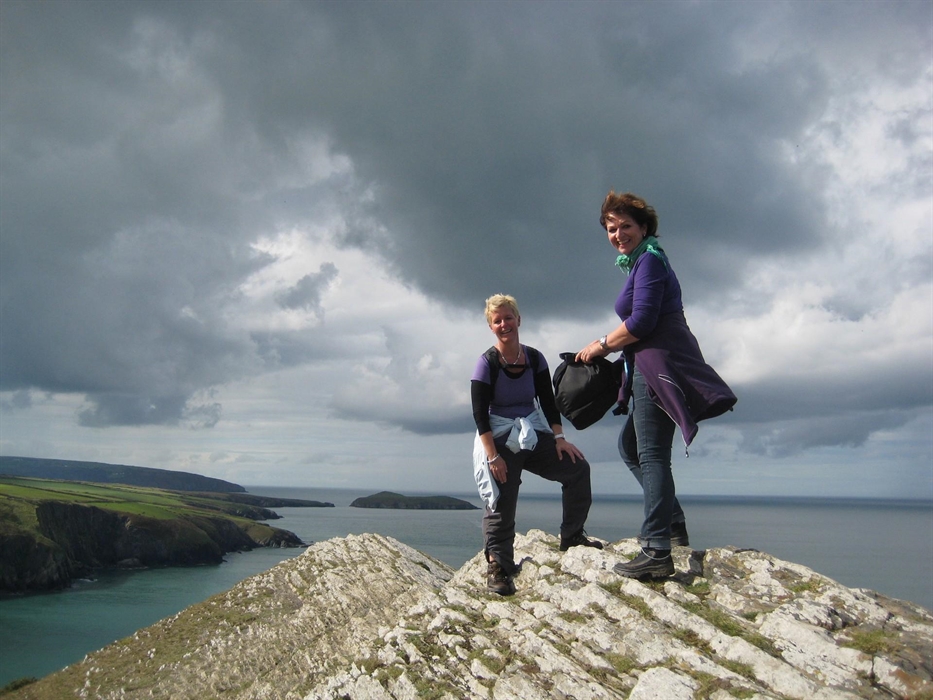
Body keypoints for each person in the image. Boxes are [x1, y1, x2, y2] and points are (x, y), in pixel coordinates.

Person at [576, 192, 736, 579]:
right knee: (630, 446)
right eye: (611, 229)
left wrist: (600, 346)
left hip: (657, 368)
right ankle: (673, 524)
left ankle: (657, 549)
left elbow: (643, 321)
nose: (618, 234)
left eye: (625, 226)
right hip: (650, 366)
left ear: (644, 227)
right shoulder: (641, 263)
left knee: (649, 454)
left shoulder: (649, 261)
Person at [472, 294, 603, 595]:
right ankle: (498, 566)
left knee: (577, 468)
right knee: (502, 497)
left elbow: (548, 400)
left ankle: (572, 536)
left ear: (519, 320)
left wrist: (559, 439)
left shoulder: (534, 358)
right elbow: (480, 415)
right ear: (491, 327)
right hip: (500, 437)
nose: (504, 324)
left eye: (508, 318)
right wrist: (493, 457)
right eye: (497, 321)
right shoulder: (486, 363)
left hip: (531, 431)